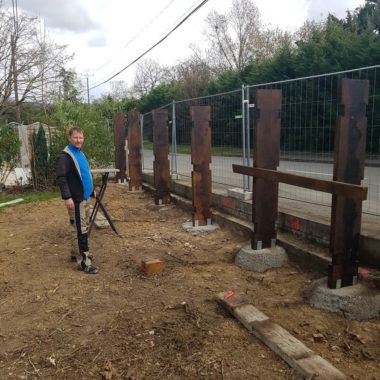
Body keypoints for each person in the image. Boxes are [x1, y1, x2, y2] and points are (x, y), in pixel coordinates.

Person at [56, 126, 98, 274]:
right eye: (75, 137)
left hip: (84, 198)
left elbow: (84, 173)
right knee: (81, 230)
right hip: (75, 200)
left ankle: (75, 254)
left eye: (80, 137)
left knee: (79, 226)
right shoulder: (65, 156)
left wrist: (91, 191)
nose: (78, 140)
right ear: (70, 138)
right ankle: (84, 263)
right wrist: (67, 197)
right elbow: (61, 178)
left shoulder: (80, 153)